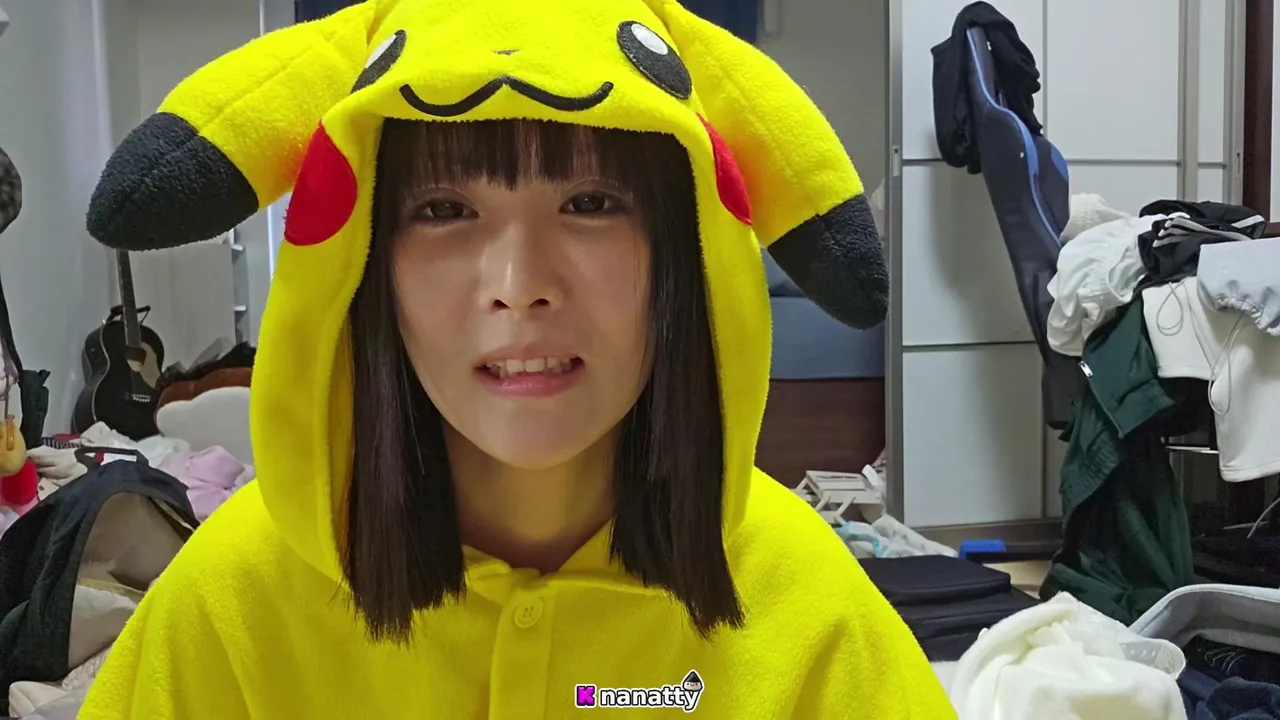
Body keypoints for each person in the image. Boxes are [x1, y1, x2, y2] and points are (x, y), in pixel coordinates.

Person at [77, 0, 953, 717]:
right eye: (444, 211)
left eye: (591, 201)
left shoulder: (811, 611)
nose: (519, 285)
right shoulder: (232, 601)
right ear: (365, 260)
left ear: (685, 252)